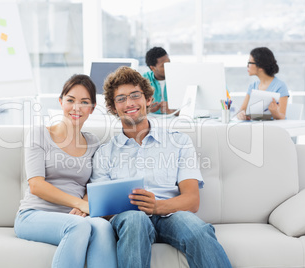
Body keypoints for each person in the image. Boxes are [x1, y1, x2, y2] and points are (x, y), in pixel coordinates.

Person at [91, 66, 232, 268]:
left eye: (135, 95)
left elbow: (192, 200)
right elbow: (102, 210)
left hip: (170, 214)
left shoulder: (179, 142)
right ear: (114, 108)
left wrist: (156, 206)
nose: (129, 103)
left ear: (148, 100)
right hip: (129, 220)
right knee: (135, 221)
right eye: (121, 99)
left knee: (197, 229)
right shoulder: (105, 153)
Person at [14, 74, 117, 268]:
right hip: (34, 214)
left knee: (103, 227)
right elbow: (36, 185)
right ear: (61, 102)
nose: (76, 107)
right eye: (70, 100)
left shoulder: (93, 143)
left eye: (84, 102)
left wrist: (83, 207)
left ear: (92, 109)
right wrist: (79, 204)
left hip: (77, 215)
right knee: (77, 226)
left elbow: (94, 185)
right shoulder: (39, 134)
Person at [237, 47, 289, 120]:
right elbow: (242, 110)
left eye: (250, 63)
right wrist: (241, 115)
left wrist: (274, 112)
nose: (247, 66)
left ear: (260, 66)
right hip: (255, 127)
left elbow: (282, 116)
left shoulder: (280, 86)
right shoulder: (252, 86)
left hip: (273, 129)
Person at [143, 46, 177, 115]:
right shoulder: (143, 80)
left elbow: (192, 108)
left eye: (169, 63)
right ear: (153, 68)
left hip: (176, 121)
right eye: (164, 65)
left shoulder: (178, 77)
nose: (169, 67)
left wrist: (176, 111)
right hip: (153, 121)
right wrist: (146, 109)